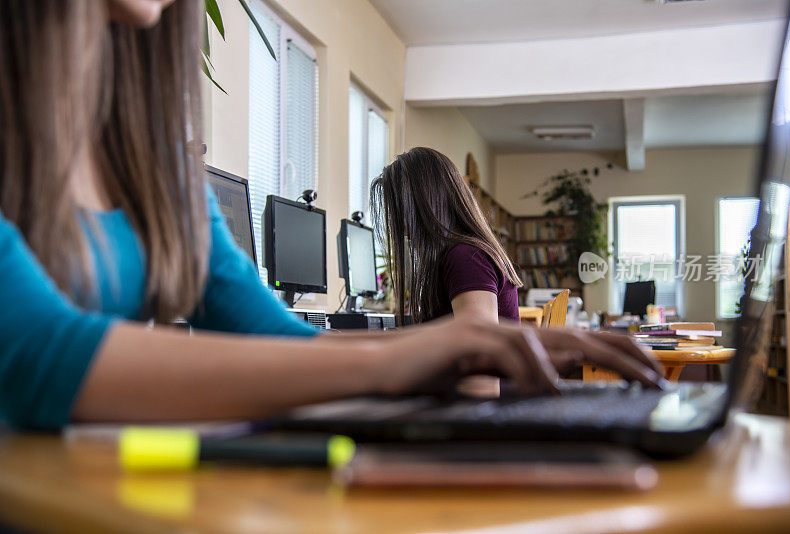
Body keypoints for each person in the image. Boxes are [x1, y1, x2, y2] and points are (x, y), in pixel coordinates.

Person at [0, 0, 663, 431]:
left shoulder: (158, 173)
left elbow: (285, 345)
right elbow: (35, 353)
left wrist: (453, 349)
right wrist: (430, 350)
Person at [371, 147, 522, 325]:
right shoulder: (465, 253)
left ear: (425, 205)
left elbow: (479, 348)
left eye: (400, 211)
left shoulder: (466, 258)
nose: (401, 227)